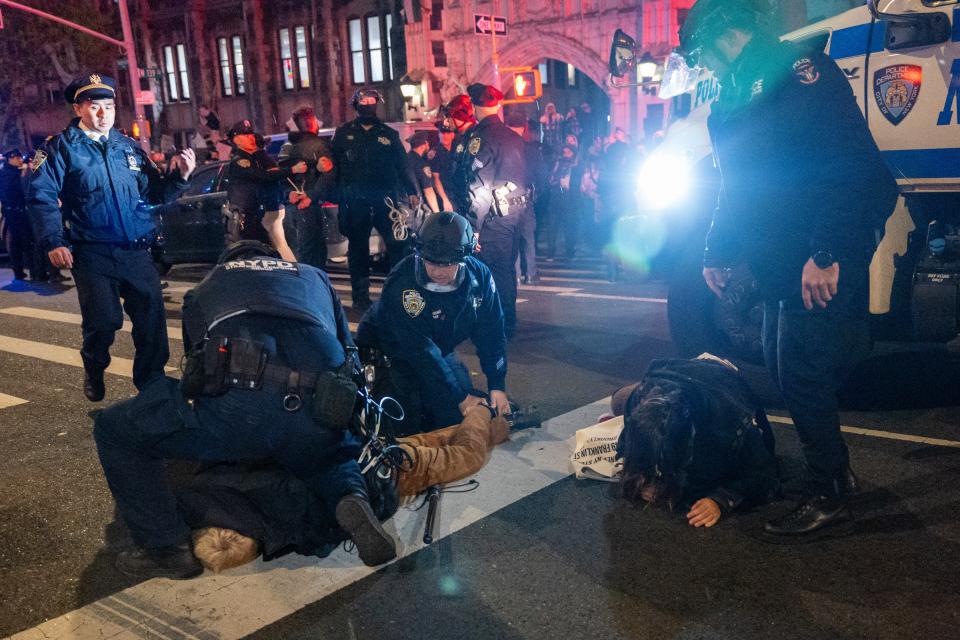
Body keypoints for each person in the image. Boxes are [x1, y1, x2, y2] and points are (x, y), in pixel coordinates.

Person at [679, 0, 898, 535]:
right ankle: (834, 476)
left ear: (725, 34)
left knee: (800, 373)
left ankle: (829, 493)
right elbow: (737, 184)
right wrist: (716, 249)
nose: (702, 64)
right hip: (781, 256)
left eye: (702, 51)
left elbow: (847, 169)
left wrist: (827, 253)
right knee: (782, 368)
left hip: (814, 250)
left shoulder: (803, 75)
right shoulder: (734, 95)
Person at [92, 240, 396, 579]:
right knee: (329, 451)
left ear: (229, 263)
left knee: (113, 429)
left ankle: (167, 548)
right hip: (317, 402)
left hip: (239, 407)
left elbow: (195, 368)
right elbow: (349, 358)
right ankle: (349, 494)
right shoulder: (315, 278)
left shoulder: (208, 285)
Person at [182, 404, 511, 573]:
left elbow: (322, 539)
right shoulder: (215, 487)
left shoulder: (283, 527)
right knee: (432, 441)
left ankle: (480, 411)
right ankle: (501, 420)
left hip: (392, 475)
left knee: (466, 455)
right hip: (359, 448)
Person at [27, 73, 196, 401]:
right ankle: (94, 363)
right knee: (104, 321)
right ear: (78, 109)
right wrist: (54, 240)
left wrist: (180, 177)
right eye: (94, 107)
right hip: (92, 253)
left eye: (109, 106)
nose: (103, 114)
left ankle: (152, 386)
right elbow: (41, 196)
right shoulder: (59, 149)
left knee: (151, 324)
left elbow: (155, 193)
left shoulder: (127, 147)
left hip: (136, 251)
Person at [356, 212, 509, 435]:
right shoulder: (402, 283)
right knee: (404, 425)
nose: (437, 271)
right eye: (430, 261)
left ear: (463, 257)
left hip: (437, 347)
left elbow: (492, 331)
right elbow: (420, 351)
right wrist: (460, 397)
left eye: (446, 264)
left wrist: (497, 384)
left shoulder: (480, 278)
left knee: (456, 416)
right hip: (390, 349)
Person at [611, 355, 778, 528]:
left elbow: (765, 476)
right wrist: (639, 477)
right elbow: (631, 449)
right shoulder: (639, 400)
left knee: (703, 481)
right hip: (679, 371)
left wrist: (720, 499)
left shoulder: (729, 423)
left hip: (725, 379)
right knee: (616, 401)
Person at [452, 84, 529, 339]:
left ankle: (498, 323)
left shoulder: (481, 138)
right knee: (506, 268)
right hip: (515, 213)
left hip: (491, 218)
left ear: (475, 107)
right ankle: (508, 320)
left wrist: (473, 228)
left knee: (489, 270)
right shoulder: (514, 137)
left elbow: (479, 186)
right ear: (498, 106)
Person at [332, 89, 417, 311]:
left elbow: (403, 165)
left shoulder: (388, 134)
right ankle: (360, 297)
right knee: (358, 250)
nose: (368, 105)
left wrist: (412, 190)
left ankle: (398, 294)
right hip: (355, 200)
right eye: (364, 101)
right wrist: (334, 196)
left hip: (385, 199)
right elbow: (334, 169)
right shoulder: (343, 134)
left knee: (397, 245)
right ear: (356, 105)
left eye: (372, 101)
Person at [225, 119, 304, 261]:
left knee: (271, 250)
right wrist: (292, 169)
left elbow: (271, 179)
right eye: (246, 136)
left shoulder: (255, 158)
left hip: (257, 215)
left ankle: (291, 274)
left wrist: (286, 193)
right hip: (245, 217)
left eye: (251, 135)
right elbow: (264, 176)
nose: (251, 138)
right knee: (257, 254)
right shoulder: (239, 161)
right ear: (236, 140)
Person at [278, 106, 336, 270]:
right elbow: (329, 176)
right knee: (314, 256)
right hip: (309, 208)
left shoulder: (286, 147)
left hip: (290, 209)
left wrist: (288, 193)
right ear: (311, 123)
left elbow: (279, 176)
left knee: (299, 255)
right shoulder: (319, 146)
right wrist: (311, 196)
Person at [505, 112, 544, 285]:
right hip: (526, 196)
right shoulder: (531, 149)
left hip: (505, 197)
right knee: (528, 237)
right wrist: (537, 193)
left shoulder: (503, 147)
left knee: (511, 237)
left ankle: (515, 274)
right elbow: (542, 175)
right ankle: (530, 272)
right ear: (524, 128)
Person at [1, 149, 34, 280]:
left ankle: (20, 271)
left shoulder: (9, 172)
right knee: (24, 242)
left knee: (17, 243)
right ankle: (32, 271)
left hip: (12, 211)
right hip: (16, 212)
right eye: (18, 158)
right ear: (11, 158)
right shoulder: (8, 174)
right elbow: (17, 192)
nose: (21, 160)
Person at [429, 109, 459, 212]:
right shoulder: (435, 153)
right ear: (438, 134)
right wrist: (445, 200)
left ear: (453, 135)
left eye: (448, 133)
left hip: (458, 194)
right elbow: (436, 179)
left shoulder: (457, 149)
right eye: (442, 133)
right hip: (446, 195)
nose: (445, 136)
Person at [406, 130, 440, 213]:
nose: (428, 145)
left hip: (406, 207)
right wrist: (437, 213)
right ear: (423, 145)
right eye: (427, 143)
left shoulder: (406, 159)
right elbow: (428, 190)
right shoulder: (421, 163)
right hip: (418, 209)